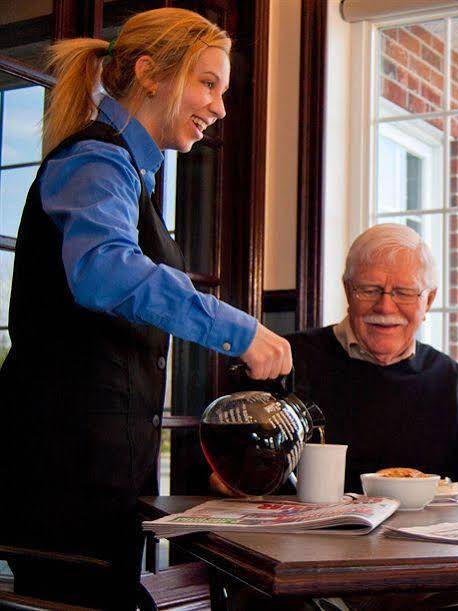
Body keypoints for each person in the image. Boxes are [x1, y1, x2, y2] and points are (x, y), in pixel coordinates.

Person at [0, 9, 291, 609]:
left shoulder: (132, 173)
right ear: (150, 73)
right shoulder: (95, 161)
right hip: (62, 479)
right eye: (208, 83)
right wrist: (242, 331)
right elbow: (105, 271)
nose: (220, 106)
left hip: (98, 477)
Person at [283, 223, 458, 496]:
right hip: (317, 541)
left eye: (404, 292)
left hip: (422, 543)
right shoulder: (291, 359)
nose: (385, 306)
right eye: (369, 289)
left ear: (428, 301)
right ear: (348, 291)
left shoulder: (446, 376)